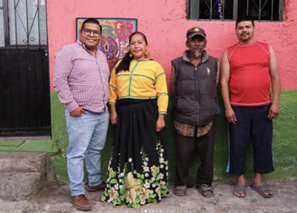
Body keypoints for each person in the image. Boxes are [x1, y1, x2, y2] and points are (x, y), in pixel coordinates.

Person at [101, 32, 169, 208]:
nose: (136, 46)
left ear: (146, 46)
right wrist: (113, 110)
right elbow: (112, 89)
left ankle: (148, 190)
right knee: (124, 149)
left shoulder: (155, 67)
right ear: (129, 46)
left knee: (147, 150)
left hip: (147, 112)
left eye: (140, 43)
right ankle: (122, 190)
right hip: (124, 113)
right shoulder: (120, 65)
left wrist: (161, 116)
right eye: (133, 43)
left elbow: (162, 93)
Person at [220, 16, 281, 198]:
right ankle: (240, 181)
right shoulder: (229, 52)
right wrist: (228, 107)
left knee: (262, 144)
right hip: (237, 108)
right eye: (240, 27)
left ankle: (258, 181)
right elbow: (223, 81)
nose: (244, 30)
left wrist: (275, 103)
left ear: (254, 29)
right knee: (237, 145)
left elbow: (275, 77)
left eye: (247, 27)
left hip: (263, 107)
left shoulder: (266, 48)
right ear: (236, 31)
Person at [53, 18, 110, 211]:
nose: (92, 34)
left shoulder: (101, 55)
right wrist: (71, 106)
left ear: (100, 36)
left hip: (102, 112)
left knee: (95, 149)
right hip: (81, 113)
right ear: (80, 32)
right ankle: (77, 192)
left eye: (96, 32)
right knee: (77, 154)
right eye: (88, 31)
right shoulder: (68, 51)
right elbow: (59, 80)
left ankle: (94, 182)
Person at [171, 27, 220, 198]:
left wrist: (212, 106)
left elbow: (217, 86)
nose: (197, 44)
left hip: (207, 117)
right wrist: (179, 105)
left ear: (205, 43)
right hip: (183, 118)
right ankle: (181, 183)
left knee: (207, 154)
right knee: (183, 154)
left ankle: (205, 183)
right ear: (187, 43)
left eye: (200, 40)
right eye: (193, 40)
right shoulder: (177, 63)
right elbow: (173, 89)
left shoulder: (214, 63)